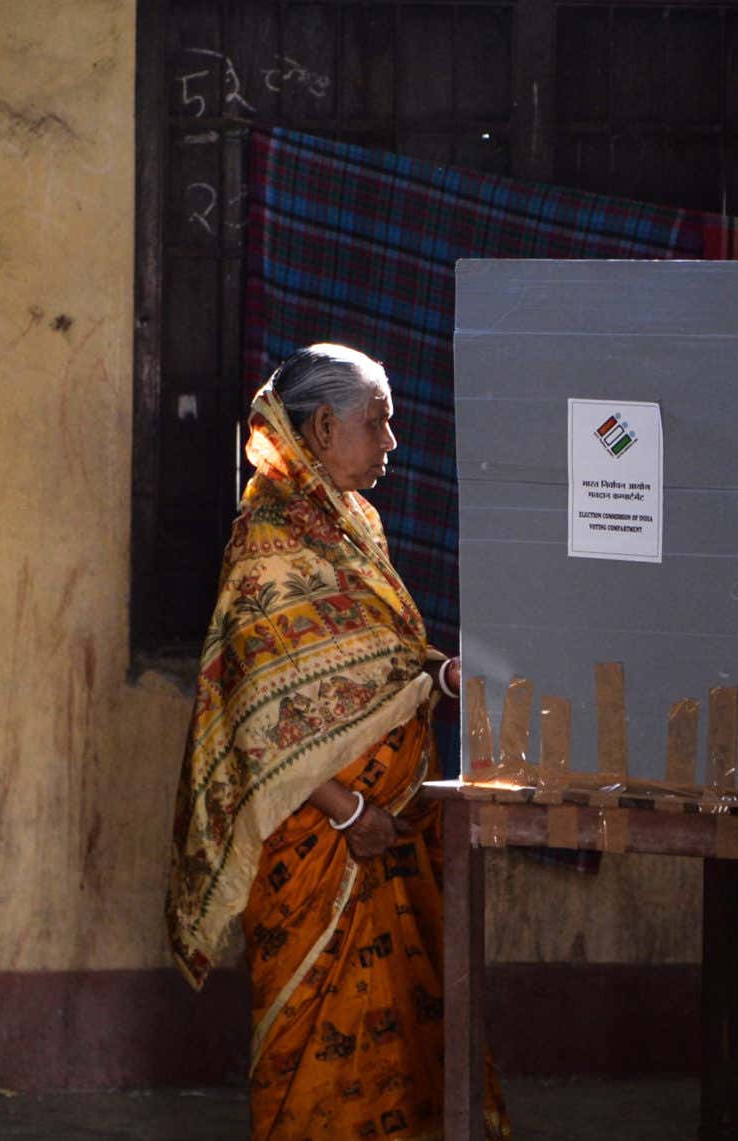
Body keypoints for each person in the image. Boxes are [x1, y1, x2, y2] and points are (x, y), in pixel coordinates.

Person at [167, 343, 510, 1141]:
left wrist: (442, 675)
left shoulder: (356, 524)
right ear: (323, 427)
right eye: (376, 424)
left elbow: (375, 659)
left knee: (410, 1031)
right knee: (317, 1052)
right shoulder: (269, 543)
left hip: (394, 833)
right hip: (320, 841)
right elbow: (258, 711)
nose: (391, 442)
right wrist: (348, 808)